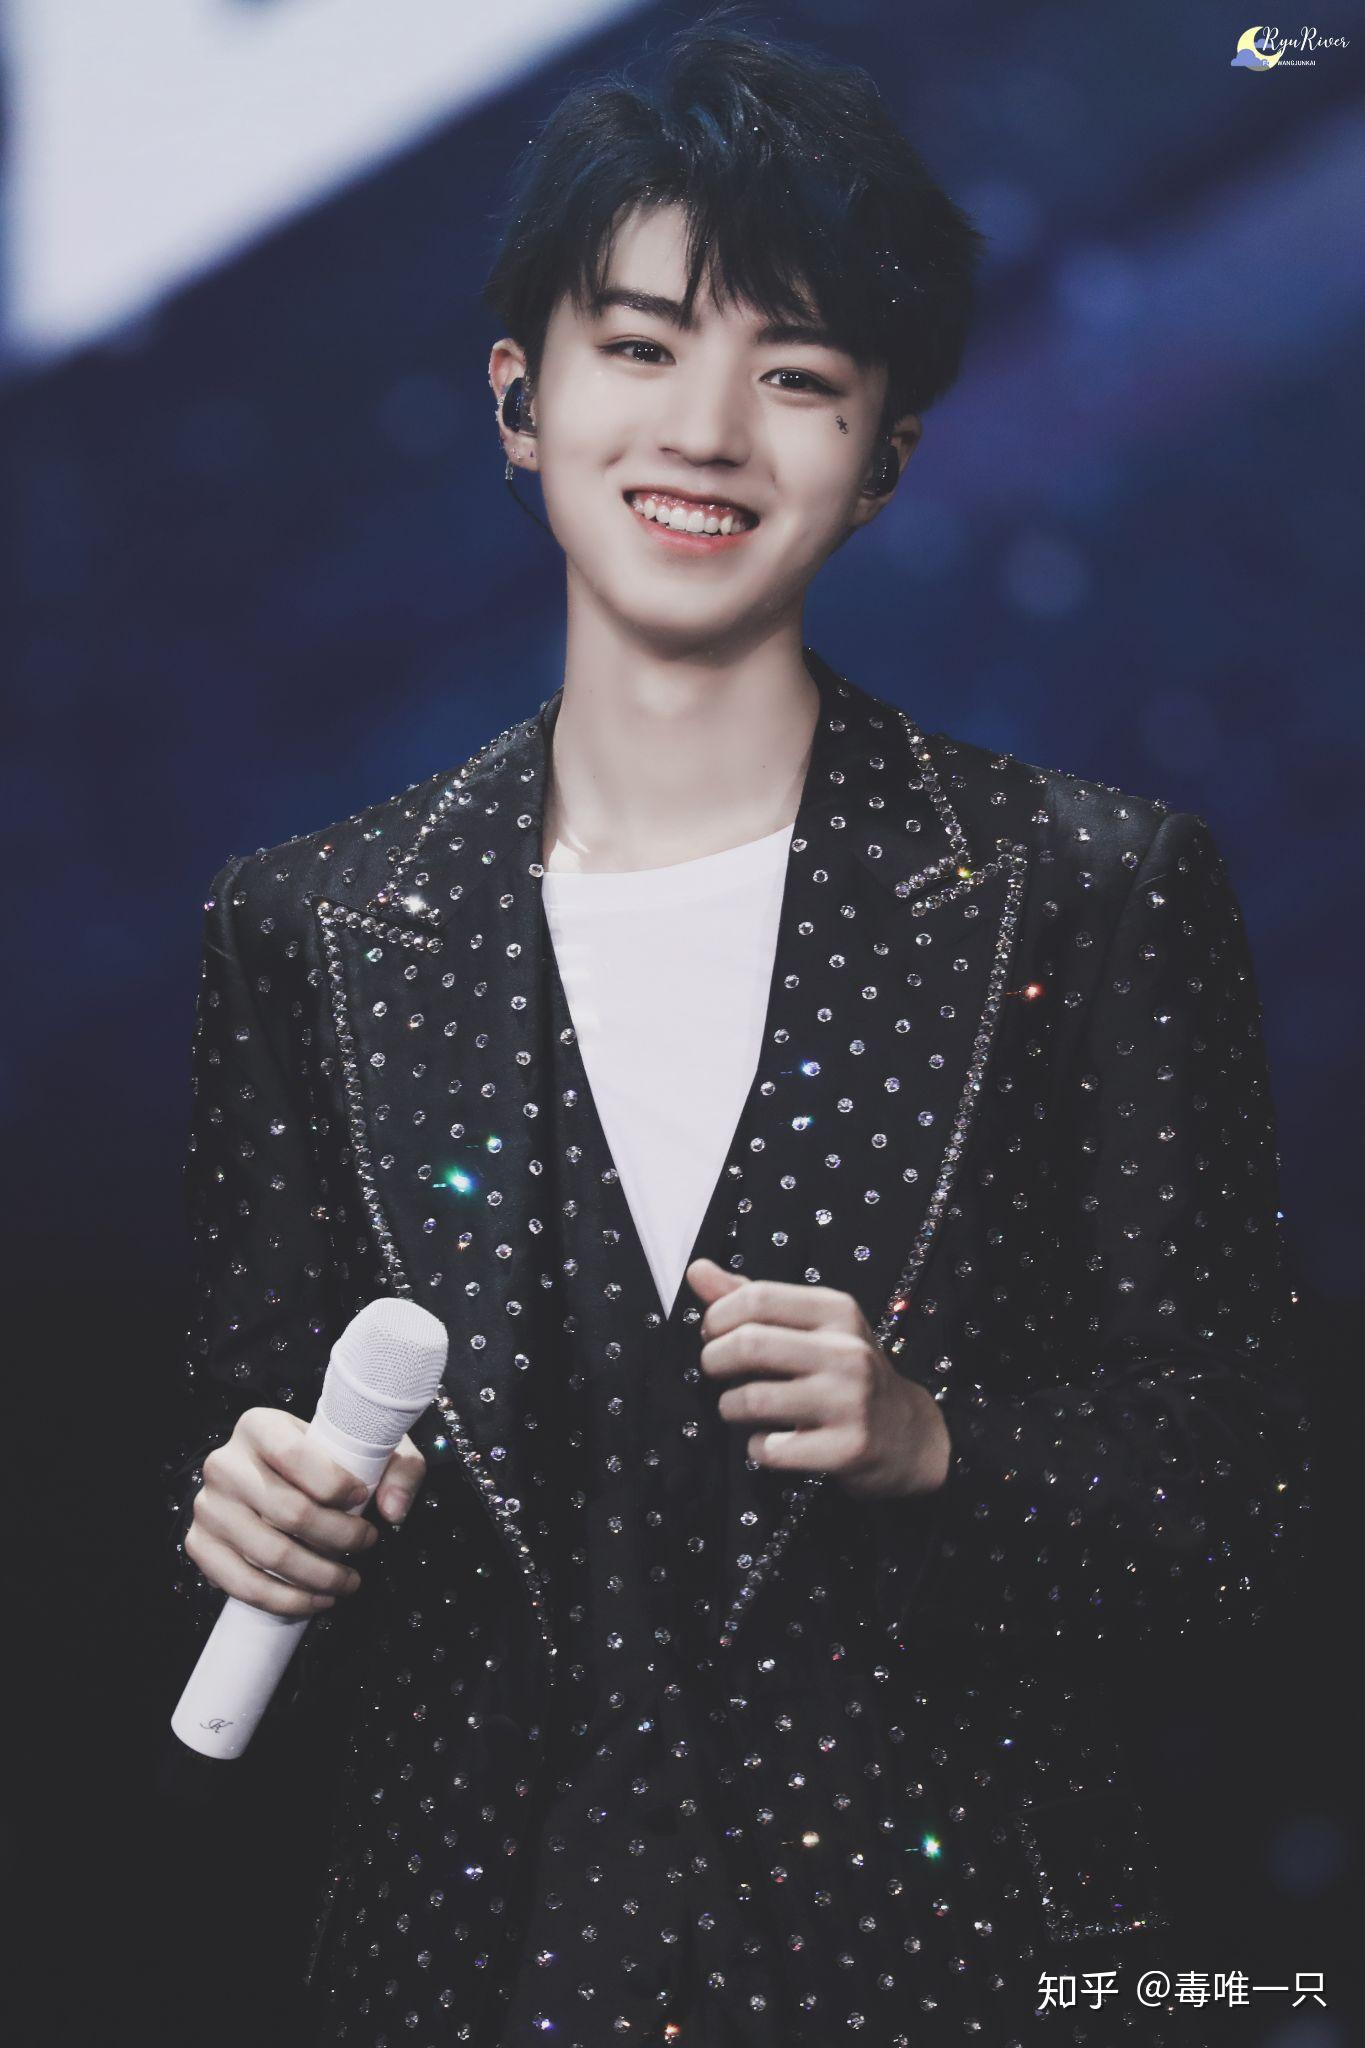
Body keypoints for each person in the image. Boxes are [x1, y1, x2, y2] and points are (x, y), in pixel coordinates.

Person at [162, 17, 1309, 2045]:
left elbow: (1239, 1519)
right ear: (518, 401)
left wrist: (938, 1446)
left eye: (793, 375)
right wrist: (239, 1516)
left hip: (947, 1968)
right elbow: (223, 1470)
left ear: (883, 462)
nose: (703, 431)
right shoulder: (307, 929)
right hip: (455, 1968)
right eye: (637, 346)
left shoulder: (1089, 890)